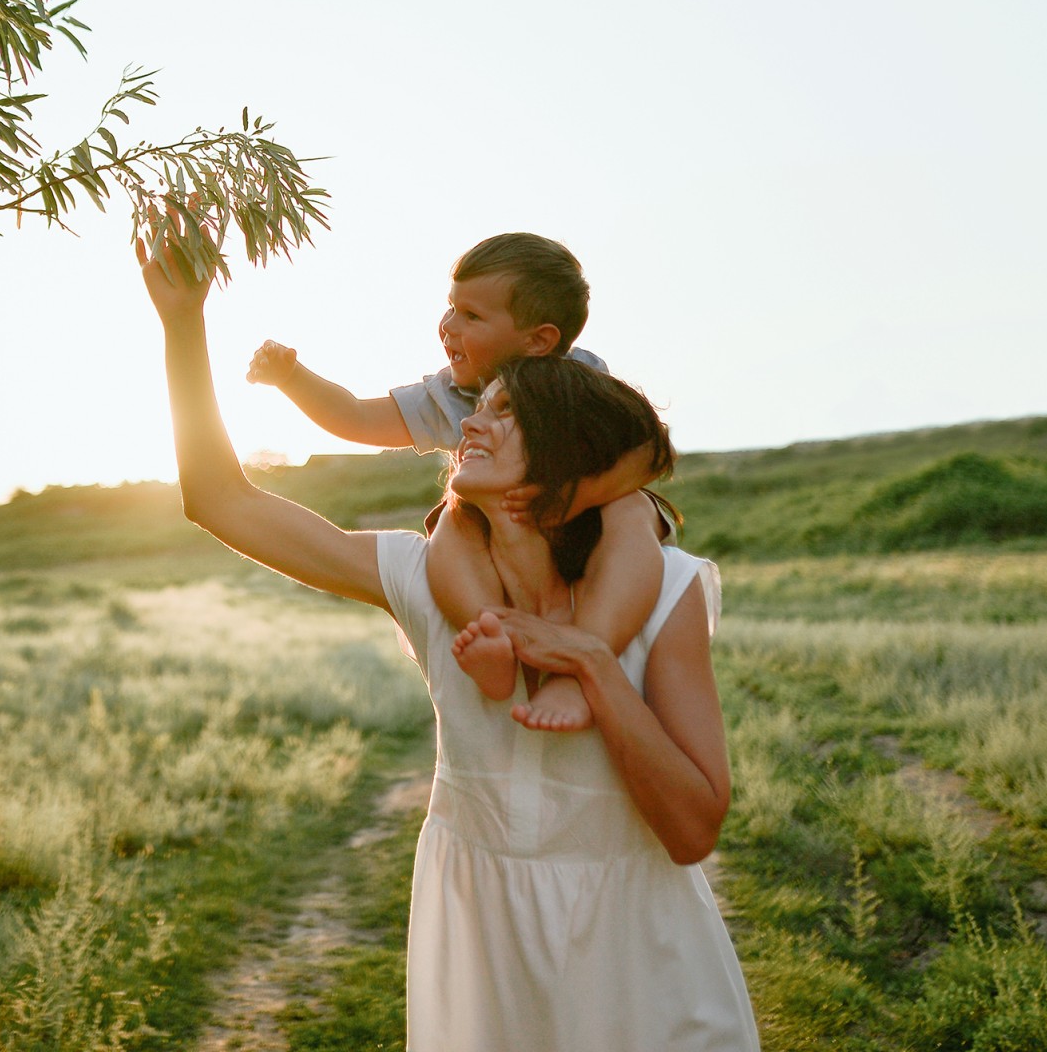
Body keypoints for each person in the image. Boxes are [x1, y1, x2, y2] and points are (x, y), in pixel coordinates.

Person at [141, 243, 760, 1052]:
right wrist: (183, 322)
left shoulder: (665, 590)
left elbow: (692, 832)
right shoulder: (420, 573)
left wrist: (595, 669)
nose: (469, 421)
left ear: (565, 449)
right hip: (484, 955)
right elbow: (220, 500)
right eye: (481, 406)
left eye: (505, 414)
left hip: (643, 961)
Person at [246, 231, 666, 730]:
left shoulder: (580, 378)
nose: (448, 326)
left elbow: (649, 447)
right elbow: (355, 417)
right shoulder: (451, 394)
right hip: (497, 533)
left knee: (632, 511)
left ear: (539, 340)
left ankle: (582, 662)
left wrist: (581, 496)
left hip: (585, 526)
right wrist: (292, 377)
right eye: (451, 307)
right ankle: (490, 635)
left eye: (472, 316)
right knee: (451, 519)